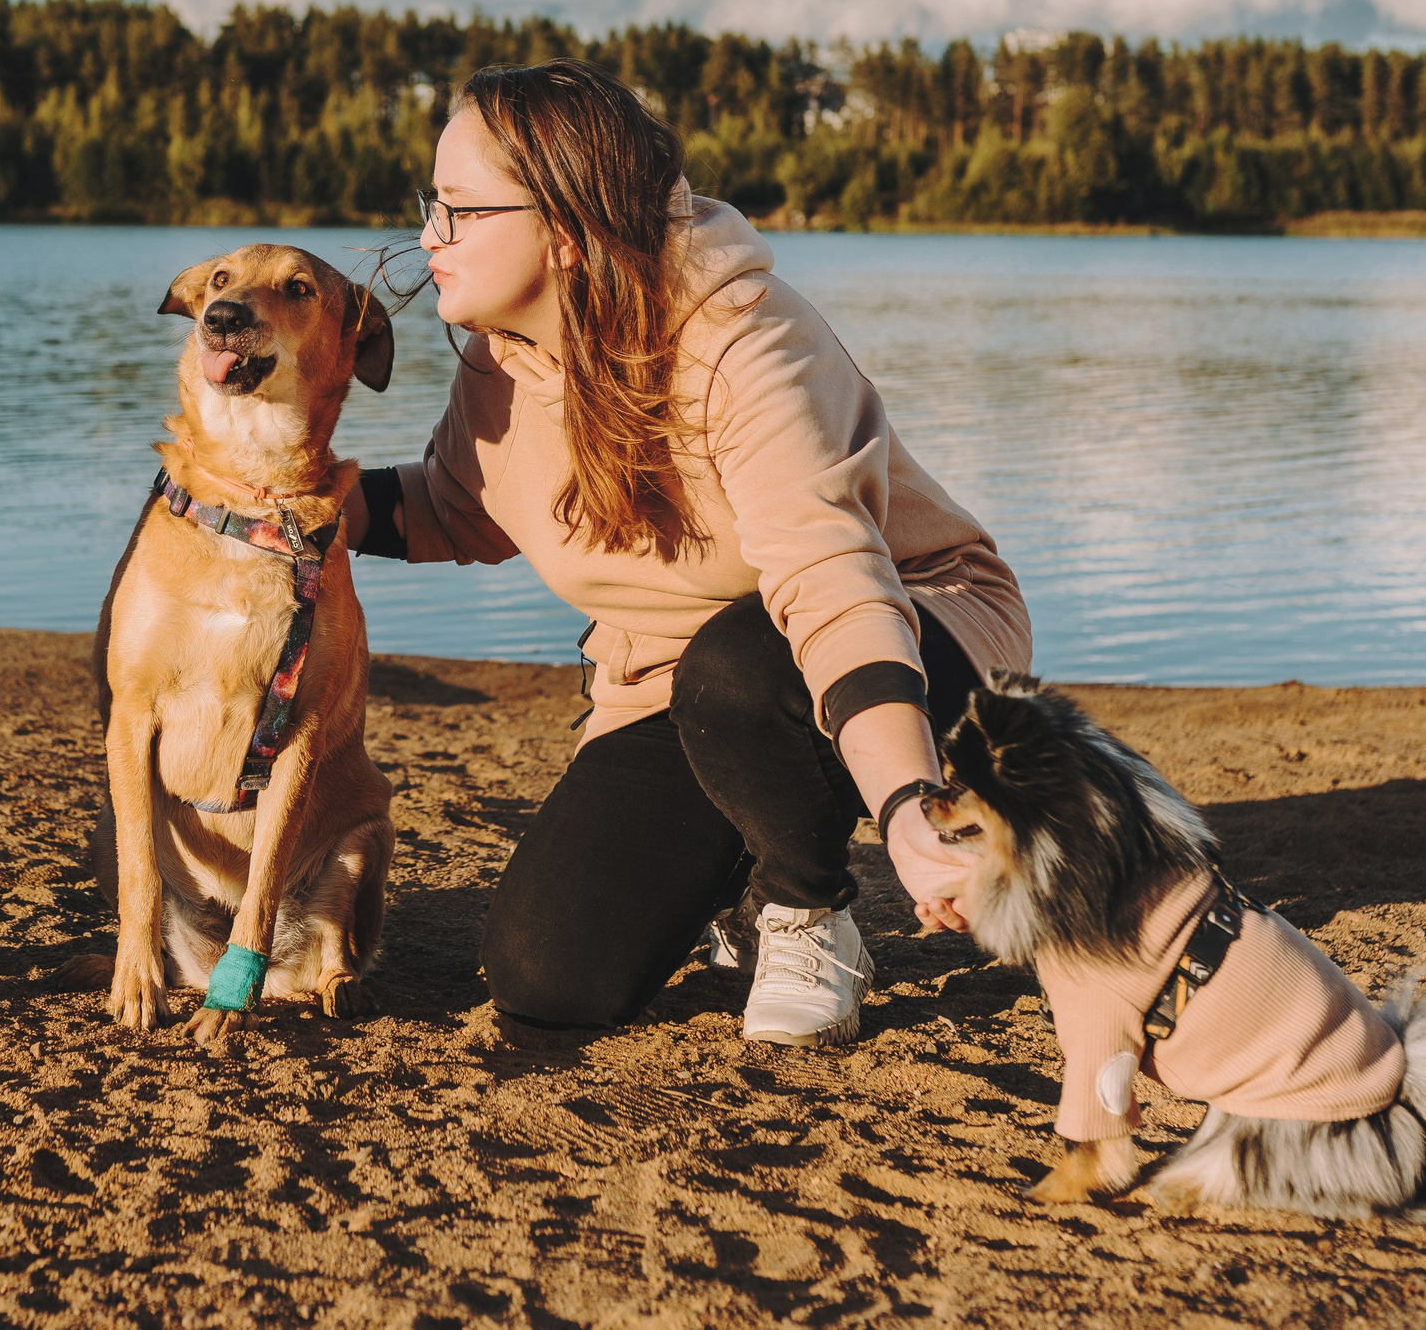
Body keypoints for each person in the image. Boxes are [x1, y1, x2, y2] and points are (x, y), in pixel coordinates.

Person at [341, 60, 1032, 1047]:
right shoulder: (506, 351)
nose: (427, 238)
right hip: (679, 685)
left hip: (913, 627)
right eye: (430, 205)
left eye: (458, 210)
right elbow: (458, 506)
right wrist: (294, 505)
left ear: (565, 229)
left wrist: (910, 809)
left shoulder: (744, 341)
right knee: (545, 973)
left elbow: (832, 589)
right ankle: (733, 866)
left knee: (739, 665)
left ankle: (805, 906)